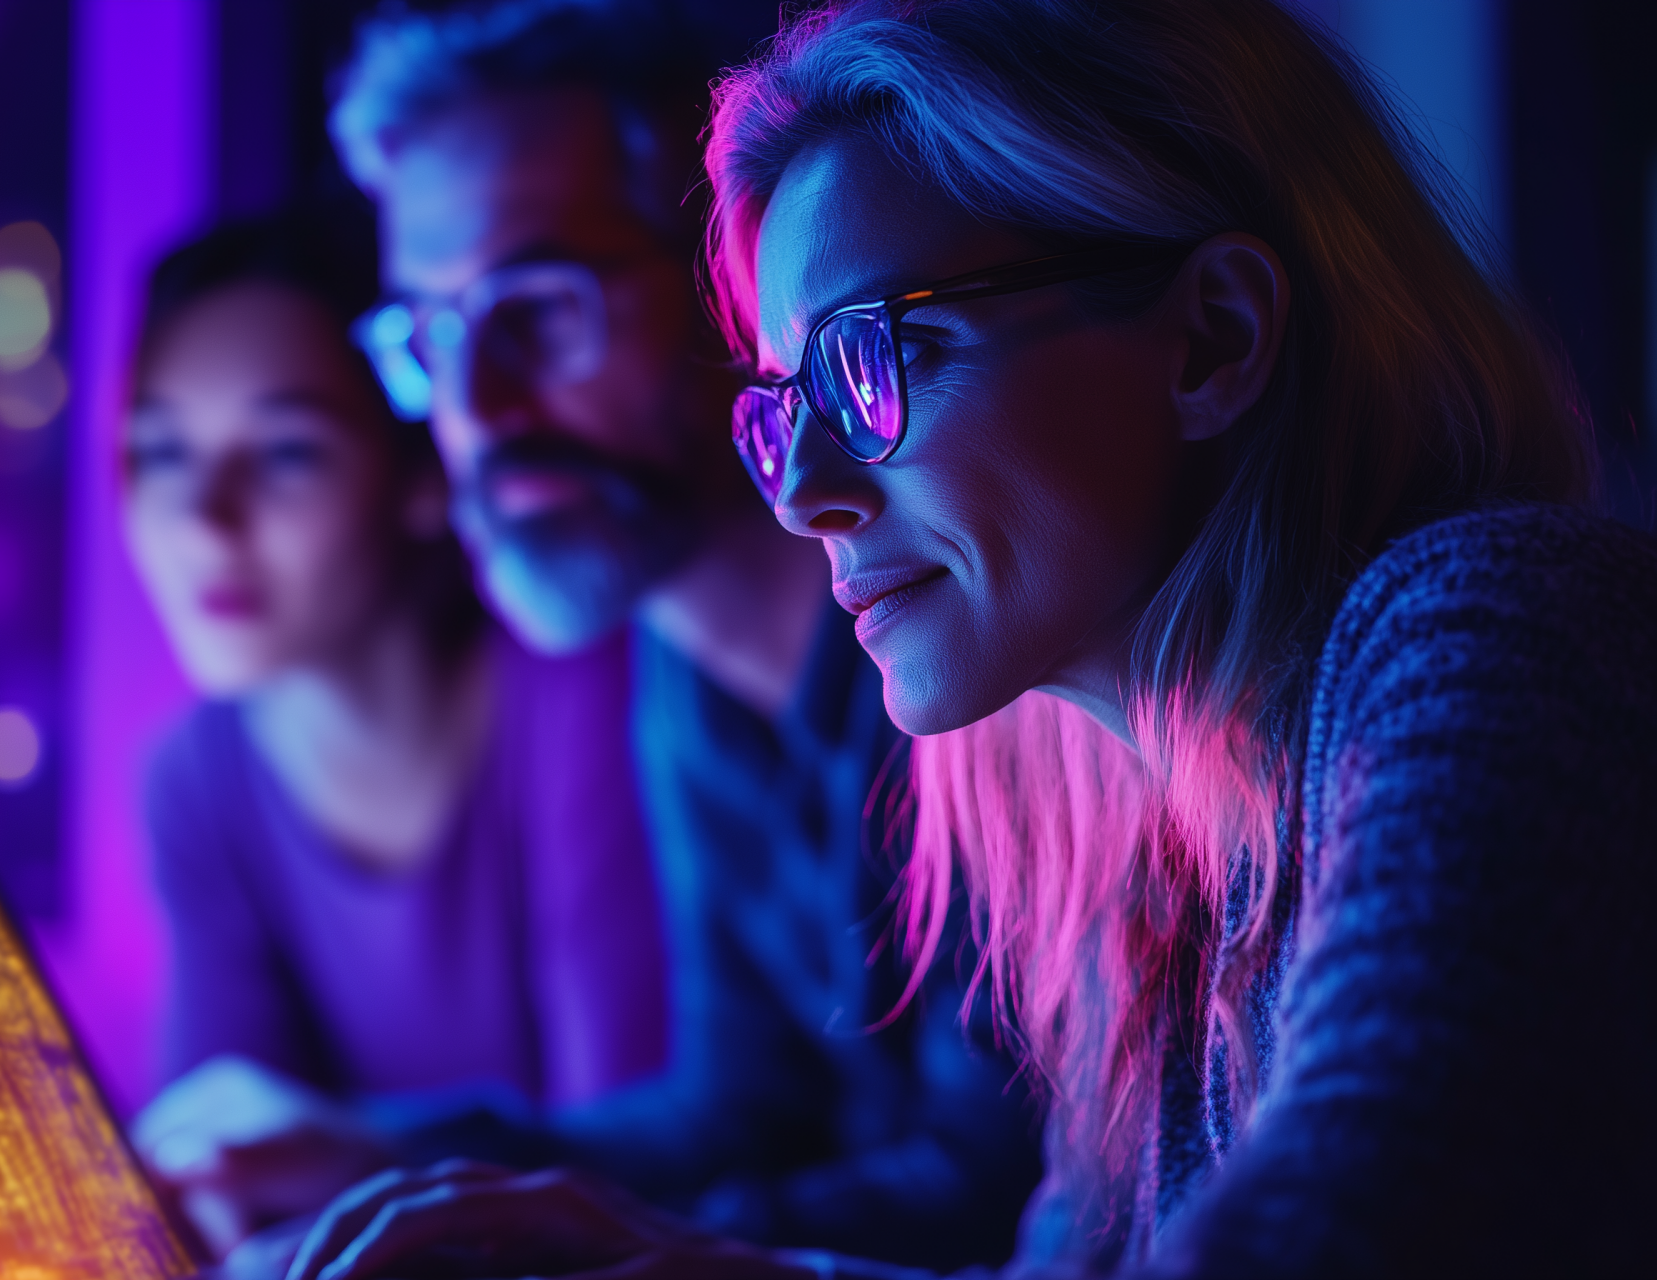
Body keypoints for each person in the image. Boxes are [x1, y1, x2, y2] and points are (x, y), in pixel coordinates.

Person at [287, 0, 1657, 1277]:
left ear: (1214, 338)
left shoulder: (1502, 623)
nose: (809, 495)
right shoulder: (1136, 865)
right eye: (788, 403)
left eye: (876, 360)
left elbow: (1339, 1238)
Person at [279, 0, 1044, 1269]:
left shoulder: (978, 641)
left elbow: (995, 1193)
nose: (474, 413)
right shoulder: (690, 677)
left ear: (730, 280)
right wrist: (387, 1165)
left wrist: (579, 1248)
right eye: (430, 333)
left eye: (538, 306)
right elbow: (746, 1113)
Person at [117, 211, 668, 1266]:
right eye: (161, 453)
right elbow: (218, 1174)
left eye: (285, 454)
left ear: (421, 472)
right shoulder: (195, 778)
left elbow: (619, 1187)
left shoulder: (574, 696)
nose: (205, 517)